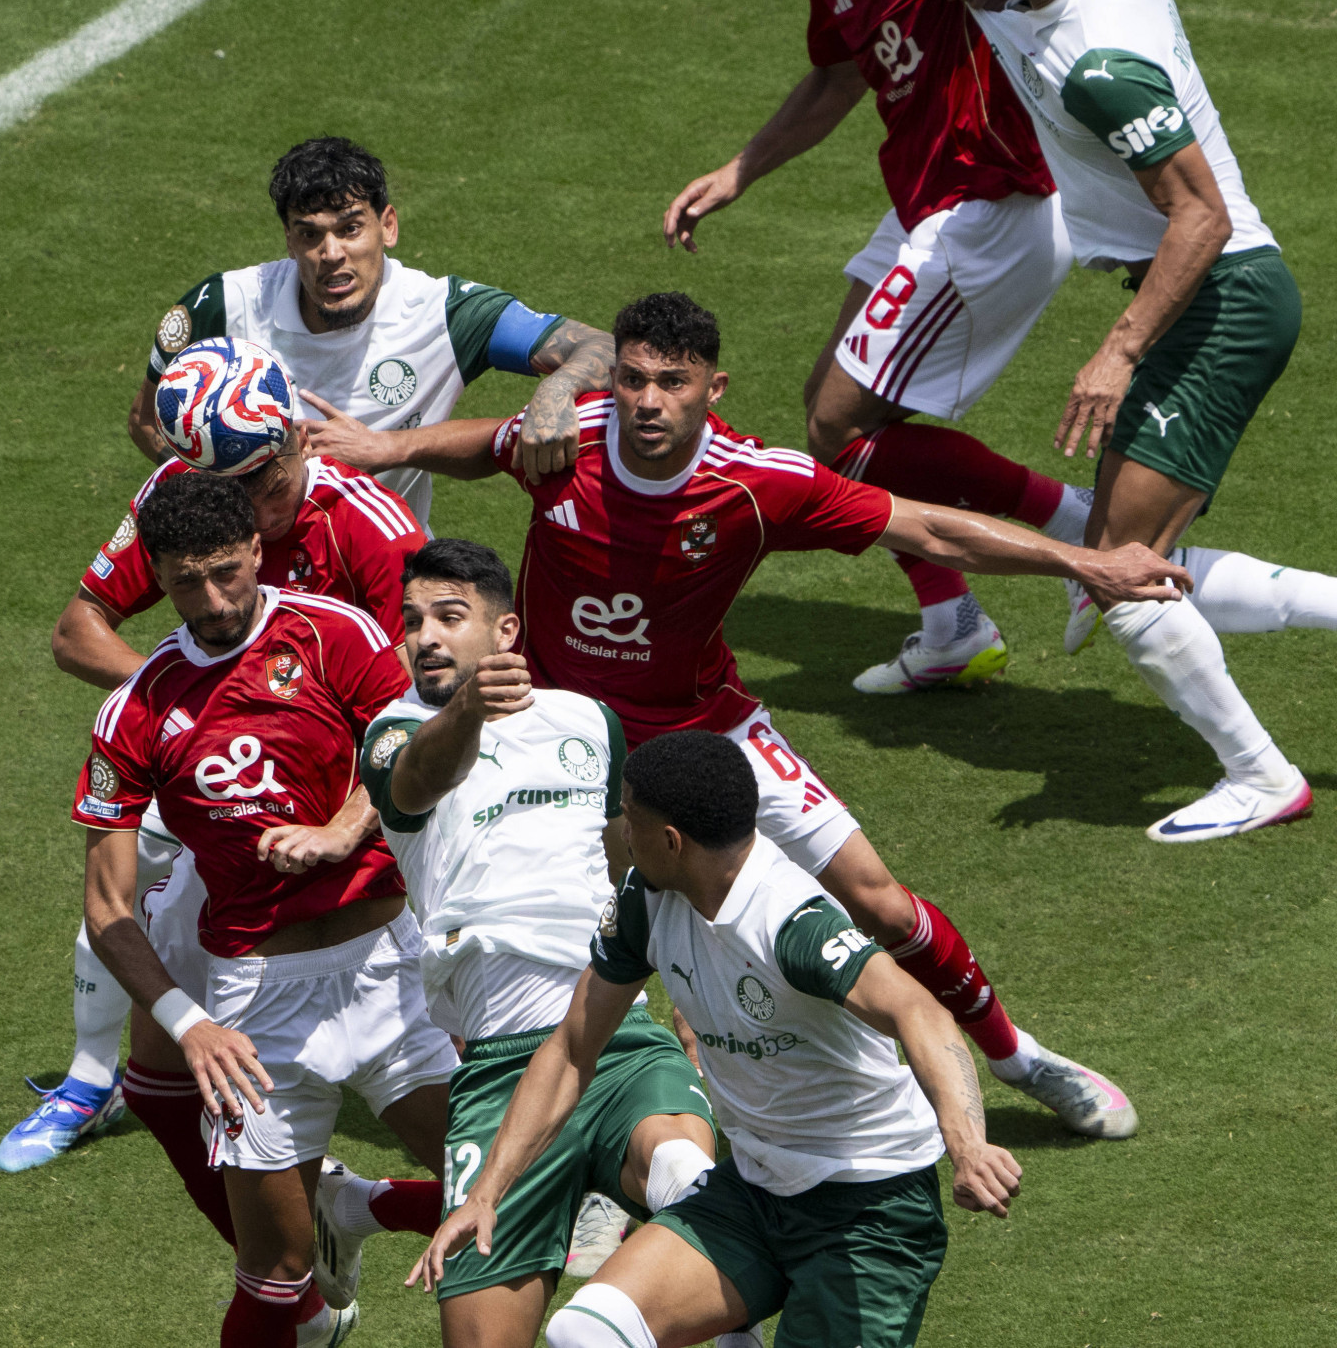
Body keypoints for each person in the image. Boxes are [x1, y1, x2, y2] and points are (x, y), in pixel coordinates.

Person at [307, 290, 1190, 1137]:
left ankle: (1017, 1057)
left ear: (713, 388)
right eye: (633, 379)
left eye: (673, 382)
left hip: (706, 726)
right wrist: (386, 448)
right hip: (568, 741)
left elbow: (927, 530)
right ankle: (614, 1126)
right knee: (566, 934)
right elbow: (487, 443)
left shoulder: (756, 483)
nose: (649, 402)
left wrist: (1087, 564)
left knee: (878, 901)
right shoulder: (567, 439)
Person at [416, 730, 1020, 1348]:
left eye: (630, 815)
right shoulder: (647, 901)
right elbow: (574, 1049)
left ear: (671, 841)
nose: (622, 830)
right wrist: (487, 1193)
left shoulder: (789, 921)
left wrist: (967, 1145)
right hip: (753, 1194)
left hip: (869, 1211)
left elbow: (919, 1010)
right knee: (587, 1331)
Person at [0, 337, 424, 1178]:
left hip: (367, 778)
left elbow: (410, 700)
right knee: (133, 877)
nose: (253, 514)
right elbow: (76, 630)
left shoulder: (372, 529)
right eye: (229, 495)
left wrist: (301, 754)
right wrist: (195, 711)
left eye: (265, 489)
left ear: (298, 438)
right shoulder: (187, 500)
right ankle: (94, 1079)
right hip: (239, 778)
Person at [316, 537, 739, 1348]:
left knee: (689, 1174)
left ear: (506, 630)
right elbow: (417, 784)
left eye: (449, 616)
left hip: (613, 1035)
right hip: (498, 1070)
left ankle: (732, 1328)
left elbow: (636, 870)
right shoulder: (393, 732)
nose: (425, 636)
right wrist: (469, 708)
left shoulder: (588, 721)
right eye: (411, 622)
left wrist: (690, 997)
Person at [74, 470, 458, 1347]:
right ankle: (350, 1214)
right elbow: (107, 906)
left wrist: (341, 827)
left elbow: (410, 756)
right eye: (182, 581)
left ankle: (368, 1206)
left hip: (387, 974)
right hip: (256, 1005)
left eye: (224, 571)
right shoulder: (136, 710)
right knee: (278, 1274)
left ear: (256, 548)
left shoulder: (337, 635)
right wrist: (189, 1022)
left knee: (496, 1189)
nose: (209, 599)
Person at [954, 0, 1313, 842]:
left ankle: (1260, 776)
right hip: (1201, 296)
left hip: (1218, 300)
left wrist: (1118, 351)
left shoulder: (1102, 65)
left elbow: (1203, 216)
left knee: (1122, 576)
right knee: (1132, 557)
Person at [663, 0, 1096, 693]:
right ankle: (954, 623)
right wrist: (739, 171)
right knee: (830, 416)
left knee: (839, 428)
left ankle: (1074, 519)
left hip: (992, 200)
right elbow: (838, 75)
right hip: (925, 199)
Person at [128, 136, 618, 527]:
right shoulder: (223, 307)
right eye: (309, 234)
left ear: (388, 227)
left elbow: (605, 350)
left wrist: (556, 387)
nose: (331, 252)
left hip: (384, 586)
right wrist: (231, 497)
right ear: (289, 241)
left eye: (350, 228)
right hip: (257, 590)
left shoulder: (444, 314)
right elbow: (147, 420)